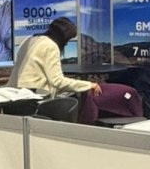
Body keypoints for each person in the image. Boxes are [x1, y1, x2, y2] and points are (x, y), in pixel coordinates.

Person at [8, 17, 142, 125]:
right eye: (67, 40)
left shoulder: (30, 40)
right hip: (33, 99)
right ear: (62, 37)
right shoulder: (51, 46)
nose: (67, 44)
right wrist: (89, 85)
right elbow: (57, 81)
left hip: (15, 96)